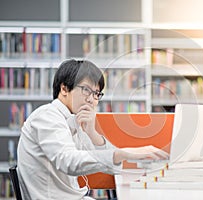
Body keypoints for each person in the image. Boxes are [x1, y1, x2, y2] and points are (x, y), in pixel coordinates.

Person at [17, 59, 169, 199]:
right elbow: (68, 161)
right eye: (86, 90)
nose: (92, 100)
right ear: (64, 89)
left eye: (96, 94)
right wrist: (123, 153)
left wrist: (93, 133)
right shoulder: (47, 117)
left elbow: (112, 167)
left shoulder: (75, 120)